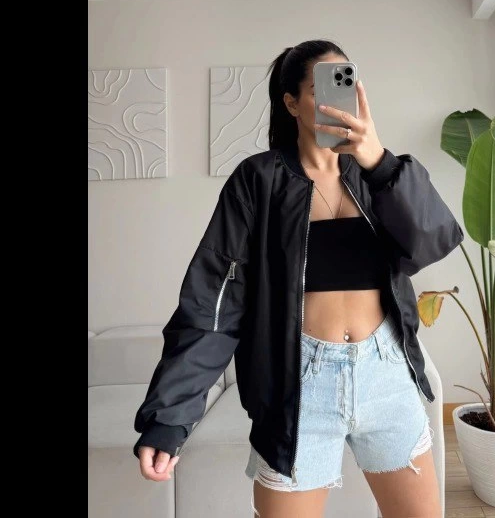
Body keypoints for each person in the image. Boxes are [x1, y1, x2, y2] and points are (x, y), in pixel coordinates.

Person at [133, 40, 464, 517]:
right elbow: (215, 301)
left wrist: (379, 162)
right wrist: (169, 418)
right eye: (320, 90)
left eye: (346, 84)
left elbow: (433, 242)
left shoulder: (379, 174)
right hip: (300, 386)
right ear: (291, 103)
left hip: (386, 373)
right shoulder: (258, 180)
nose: (337, 101)